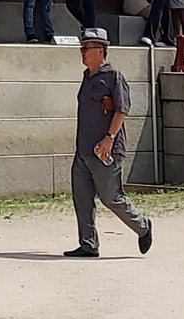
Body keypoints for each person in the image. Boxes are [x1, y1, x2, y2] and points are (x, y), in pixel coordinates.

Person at [65, 28, 151, 258]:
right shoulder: (87, 76)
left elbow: (122, 109)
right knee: (82, 198)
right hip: (84, 150)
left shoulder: (114, 76)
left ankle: (142, 226)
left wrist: (109, 138)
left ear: (101, 50)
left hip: (106, 150)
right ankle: (88, 244)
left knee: (111, 197)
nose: (82, 52)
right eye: (82, 48)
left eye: (87, 48)